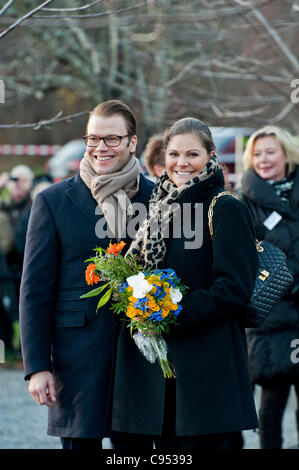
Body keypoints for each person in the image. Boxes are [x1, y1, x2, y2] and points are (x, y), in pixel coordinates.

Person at [111, 117, 259, 449]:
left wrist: (169, 310)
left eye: (192, 154)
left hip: (206, 371)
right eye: (174, 154)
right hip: (160, 377)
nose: (181, 163)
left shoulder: (225, 208)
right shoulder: (157, 208)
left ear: (211, 156)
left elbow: (234, 289)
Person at [19, 100, 155, 450]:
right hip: (76, 357)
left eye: (111, 139)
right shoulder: (52, 201)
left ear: (132, 142)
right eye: (93, 138)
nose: (100, 148)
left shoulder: (157, 198)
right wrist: (36, 366)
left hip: (141, 355)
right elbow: (35, 290)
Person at [241, 125, 299, 449]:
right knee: (271, 411)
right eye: (257, 153)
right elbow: (246, 259)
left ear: (286, 153)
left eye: (270, 151)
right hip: (271, 320)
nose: (263, 159)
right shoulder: (244, 202)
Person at [0, 165, 34, 354]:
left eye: (24, 181)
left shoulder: (36, 204)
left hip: (26, 265)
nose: (18, 186)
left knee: (26, 310)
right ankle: (5, 352)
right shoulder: (3, 206)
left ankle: (24, 350)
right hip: (5, 267)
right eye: (15, 181)